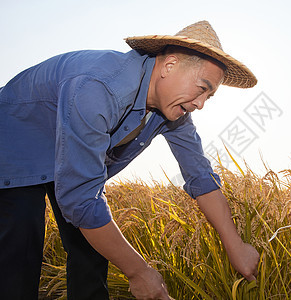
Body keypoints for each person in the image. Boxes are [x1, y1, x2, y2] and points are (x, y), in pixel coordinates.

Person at [0, 20, 259, 299]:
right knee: (20, 247)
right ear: (170, 65)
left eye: (210, 95)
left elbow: (200, 176)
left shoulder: (175, 111)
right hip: (14, 144)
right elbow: (82, 200)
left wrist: (235, 245)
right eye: (202, 88)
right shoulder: (99, 87)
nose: (201, 103)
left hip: (67, 154)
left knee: (94, 248)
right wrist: (140, 272)